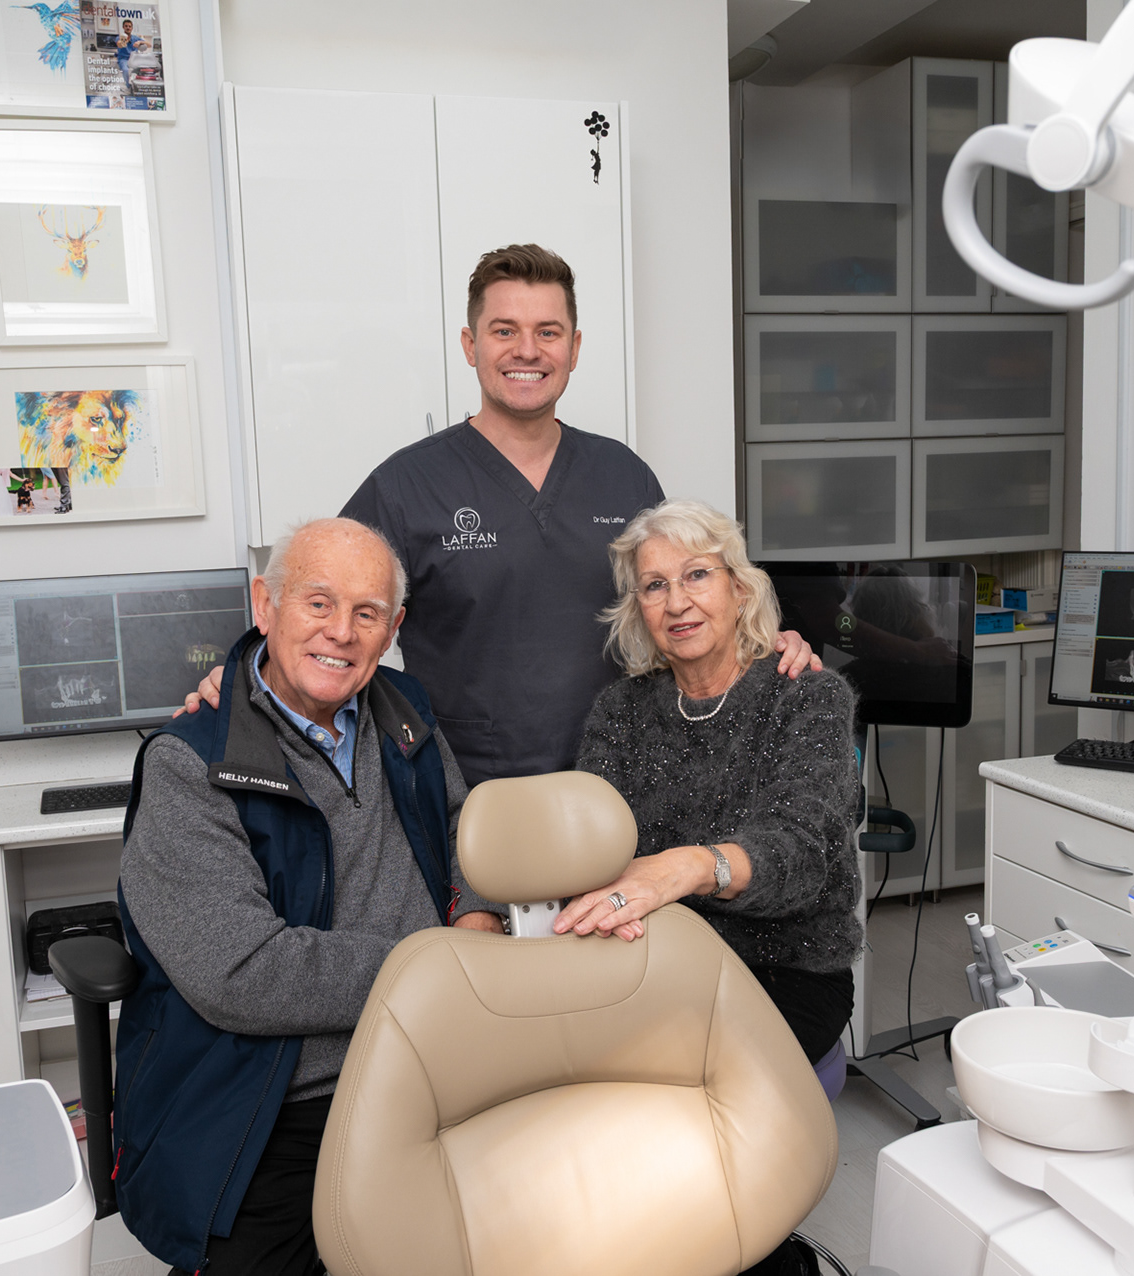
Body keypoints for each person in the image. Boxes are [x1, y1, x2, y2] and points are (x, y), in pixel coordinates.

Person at [188, 244, 816, 786]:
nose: (528, 350)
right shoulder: (407, 486)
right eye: (504, 330)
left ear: (574, 348)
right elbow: (322, 605)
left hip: (625, 783)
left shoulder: (624, 476)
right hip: (468, 794)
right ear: (471, 345)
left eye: (548, 332)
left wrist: (766, 646)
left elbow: (687, 606)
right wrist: (247, 678)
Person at [112, 518, 505, 1276]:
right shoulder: (190, 764)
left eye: (367, 613)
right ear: (266, 606)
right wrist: (442, 968)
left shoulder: (402, 706)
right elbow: (242, 975)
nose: (342, 632)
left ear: (394, 628)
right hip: (277, 1103)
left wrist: (479, 910)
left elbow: (465, 825)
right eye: (318, 603)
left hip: (437, 1063)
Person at [557, 498, 862, 1069]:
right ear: (639, 608)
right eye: (655, 586)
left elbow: (802, 855)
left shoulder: (808, 697)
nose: (677, 602)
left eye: (697, 574)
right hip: (650, 956)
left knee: (659, 1075)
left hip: (784, 969)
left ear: (739, 589)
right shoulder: (620, 710)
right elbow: (591, 849)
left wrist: (689, 867)